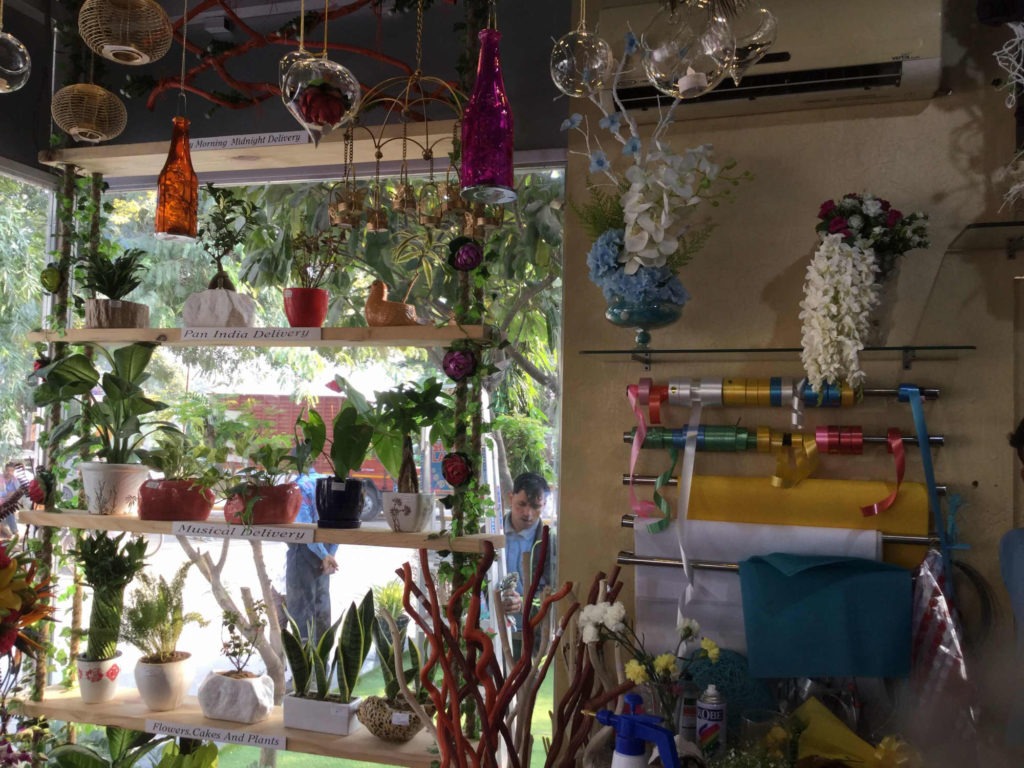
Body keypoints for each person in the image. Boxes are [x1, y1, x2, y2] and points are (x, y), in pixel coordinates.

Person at [500, 472, 554, 654]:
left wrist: (523, 603)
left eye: (535, 506)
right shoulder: (491, 533)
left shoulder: (549, 543)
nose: (528, 513)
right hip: (492, 627)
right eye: (521, 504)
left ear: (544, 505)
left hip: (532, 631)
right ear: (511, 498)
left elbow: (551, 591)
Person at [285, 470, 339, 642]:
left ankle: (306, 658)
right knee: (322, 613)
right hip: (326, 553)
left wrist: (323, 555)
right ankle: (323, 658)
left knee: (302, 618)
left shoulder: (299, 487)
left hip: (304, 554)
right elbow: (339, 522)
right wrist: (330, 554)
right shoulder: (326, 481)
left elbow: (305, 529)